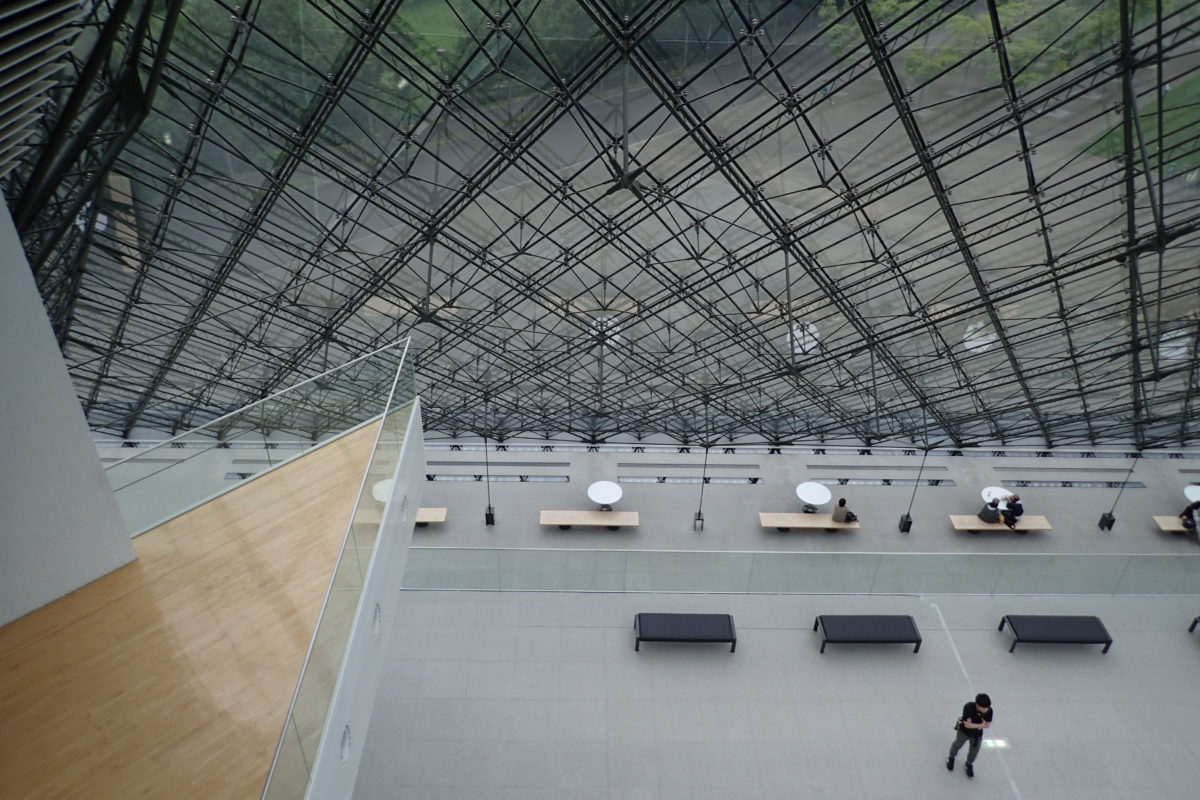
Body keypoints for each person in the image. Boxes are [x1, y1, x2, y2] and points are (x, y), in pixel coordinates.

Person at [947, 693, 993, 778]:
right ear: (978, 705)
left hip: (977, 735)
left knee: (974, 752)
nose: (986, 710)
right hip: (964, 732)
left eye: (987, 707)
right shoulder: (968, 707)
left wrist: (973, 724)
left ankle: (969, 764)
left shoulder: (989, 710)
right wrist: (981, 725)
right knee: (957, 744)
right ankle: (951, 758)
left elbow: (987, 725)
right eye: (984, 708)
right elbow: (966, 725)